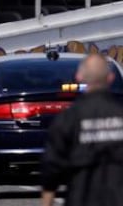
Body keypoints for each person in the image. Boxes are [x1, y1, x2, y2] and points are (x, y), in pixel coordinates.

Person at [41, 53, 123, 206]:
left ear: (79, 77)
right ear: (110, 78)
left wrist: (47, 201)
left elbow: (52, 167)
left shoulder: (68, 119)